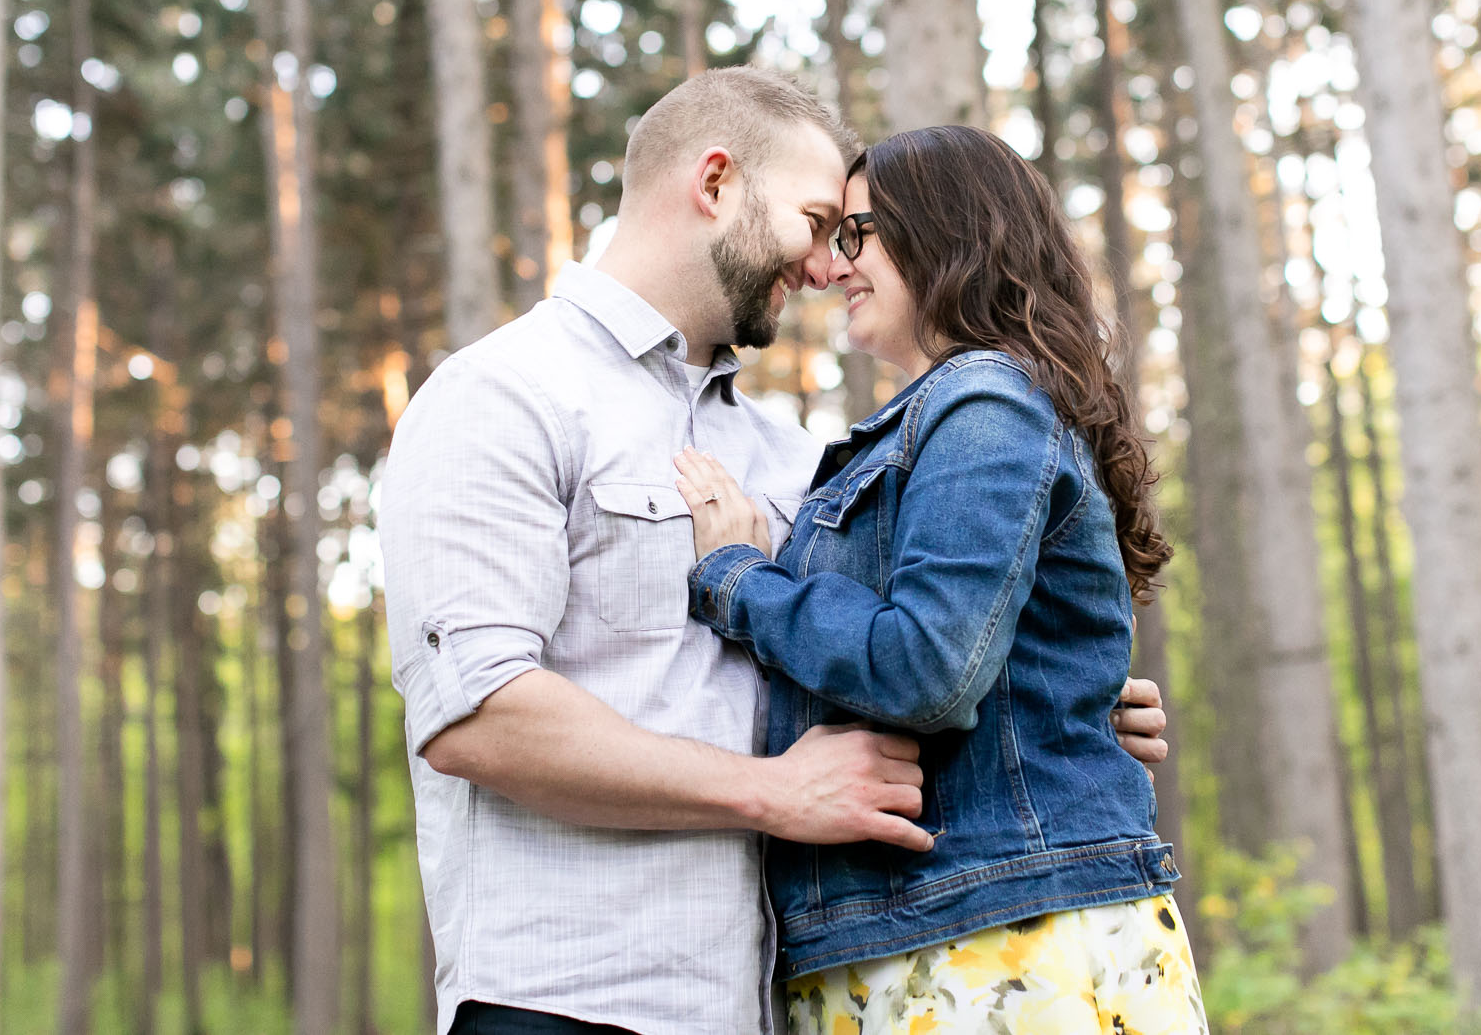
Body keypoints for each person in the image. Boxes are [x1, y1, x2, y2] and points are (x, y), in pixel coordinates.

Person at [380, 69, 1170, 1035]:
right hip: (571, 998)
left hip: (772, 998)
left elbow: (904, 654)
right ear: (714, 184)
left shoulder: (796, 457)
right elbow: (480, 717)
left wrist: (1053, 698)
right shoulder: (505, 393)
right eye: (814, 221)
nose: (824, 266)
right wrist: (773, 793)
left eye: (851, 235)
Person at [671, 124, 1205, 1034]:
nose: (834, 266)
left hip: (1002, 935)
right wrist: (1056, 698)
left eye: (855, 234)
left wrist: (739, 580)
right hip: (925, 936)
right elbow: (969, 654)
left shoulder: (983, 402)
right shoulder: (926, 421)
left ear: (944, 229)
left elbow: (927, 667)